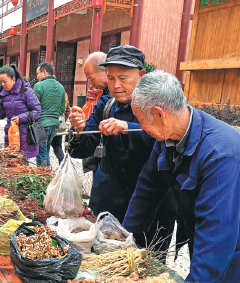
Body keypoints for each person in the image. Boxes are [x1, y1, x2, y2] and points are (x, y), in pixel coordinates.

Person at [123, 70, 240, 283]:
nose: (143, 129)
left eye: (140, 120)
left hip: (238, 241)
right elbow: (149, 184)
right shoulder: (169, 134)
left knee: (222, 279)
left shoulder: (221, 154)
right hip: (207, 230)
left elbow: (217, 229)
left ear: (159, 114)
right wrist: (128, 234)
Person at [68, 46, 175, 250]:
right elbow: (84, 149)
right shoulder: (105, 106)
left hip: (151, 208)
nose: (116, 85)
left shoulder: (161, 108)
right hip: (109, 203)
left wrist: (130, 128)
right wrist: (80, 129)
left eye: (123, 78)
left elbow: (169, 142)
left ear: (141, 75)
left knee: (145, 265)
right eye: (111, 78)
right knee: (105, 257)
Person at [0, 65, 42, 158]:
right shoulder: (3, 94)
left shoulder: (27, 91)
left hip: (25, 134)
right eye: (1, 82)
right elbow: (2, 112)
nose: (2, 84)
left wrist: (21, 118)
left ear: (13, 79)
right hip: (11, 133)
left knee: (22, 163)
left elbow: (37, 111)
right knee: (11, 161)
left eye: (5, 81)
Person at [33, 62, 65, 167]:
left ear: (44, 72)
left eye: (38, 73)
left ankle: (44, 179)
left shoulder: (38, 86)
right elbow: (62, 108)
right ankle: (48, 177)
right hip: (55, 125)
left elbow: (34, 106)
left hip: (42, 124)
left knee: (41, 153)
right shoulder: (61, 87)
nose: (37, 76)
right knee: (46, 150)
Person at [50, 92, 70, 164]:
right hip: (59, 123)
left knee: (44, 148)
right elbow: (67, 109)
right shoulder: (63, 92)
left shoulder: (43, 89)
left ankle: (45, 169)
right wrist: (64, 120)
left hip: (46, 123)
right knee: (57, 146)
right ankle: (62, 165)